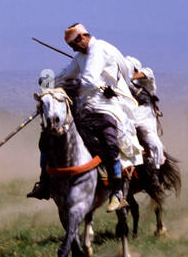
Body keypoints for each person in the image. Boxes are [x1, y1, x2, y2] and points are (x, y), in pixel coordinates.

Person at [27, 23, 142, 210]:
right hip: (84, 107)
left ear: (81, 38)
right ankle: (44, 182)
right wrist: (48, 87)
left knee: (109, 140)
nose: (72, 49)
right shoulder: (81, 56)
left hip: (107, 107)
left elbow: (89, 81)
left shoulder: (99, 50)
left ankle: (117, 192)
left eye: (73, 44)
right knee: (49, 134)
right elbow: (66, 74)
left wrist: (66, 87)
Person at [123, 55, 165, 169]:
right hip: (127, 118)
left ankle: (156, 170)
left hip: (145, 119)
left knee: (155, 144)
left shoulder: (147, 77)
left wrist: (125, 76)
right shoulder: (122, 82)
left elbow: (144, 73)